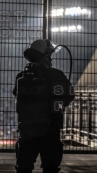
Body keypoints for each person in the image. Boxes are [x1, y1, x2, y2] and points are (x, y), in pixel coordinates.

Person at [13, 39, 75, 173]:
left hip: (27, 131)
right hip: (50, 131)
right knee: (51, 168)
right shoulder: (56, 75)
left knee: (23, 168)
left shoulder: (21, 76)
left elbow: (17, 96)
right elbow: (69, 96)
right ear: (46, 55)